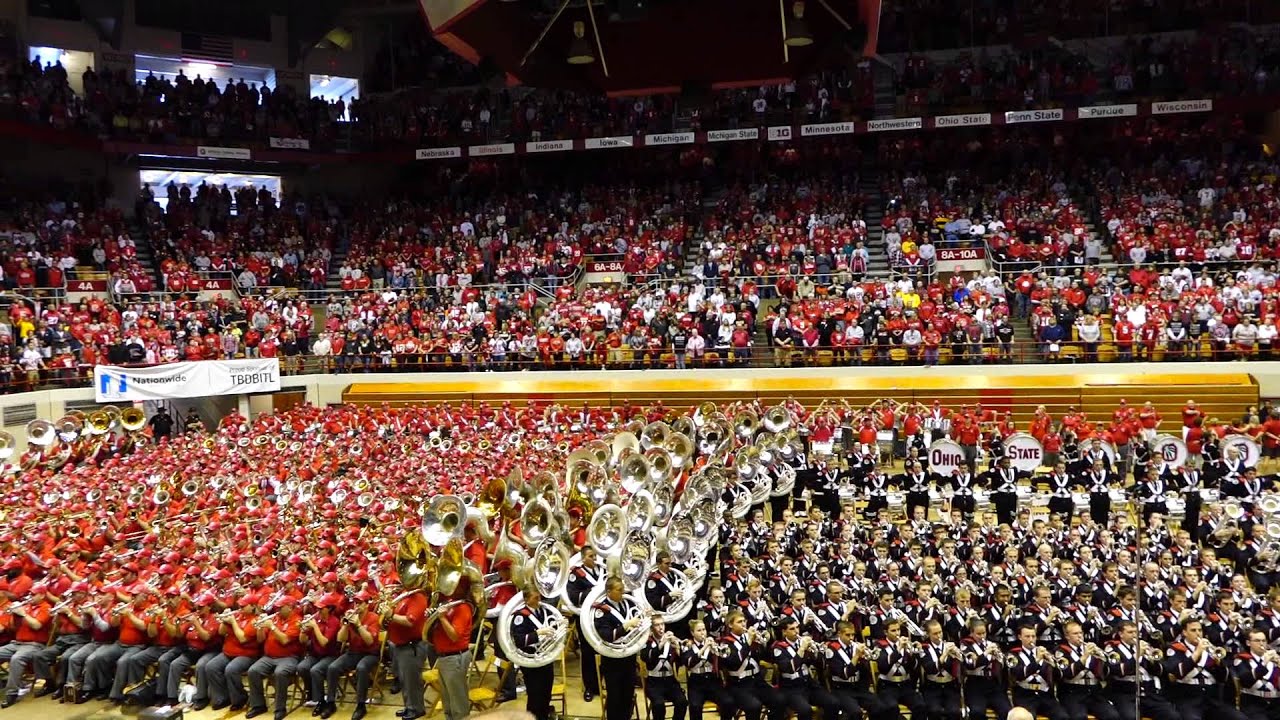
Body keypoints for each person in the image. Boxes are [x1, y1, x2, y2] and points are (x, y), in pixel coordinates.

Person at [321, 594, 381, 720]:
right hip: (353, 653)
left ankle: (361, 705)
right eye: (355, 603)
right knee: (332, 667)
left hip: (370, 653)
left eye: (360, 603)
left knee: (362, 668)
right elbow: (340, 639)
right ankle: (331, 703)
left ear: (366, 604)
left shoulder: (374, 618)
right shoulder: (351, 617)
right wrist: (345, 625)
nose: (357, 606)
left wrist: (358, 625)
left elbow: (369, 641)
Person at [593, 576, 642, 720]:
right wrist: (626, 626)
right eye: (619, 590)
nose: (623, 592)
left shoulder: (627, 604)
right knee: (615, 697)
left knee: (627, 695)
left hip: (629, 656)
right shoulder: (601, 610)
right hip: (612, 660)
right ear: (609, 592)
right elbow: (606, 635)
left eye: (623, 589)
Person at [246, 598, 303, 720]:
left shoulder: (297, 621)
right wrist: (260, 628)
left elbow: (285, 640)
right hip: (269, 657)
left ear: (289, 607)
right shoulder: (275, 618)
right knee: (253, 671)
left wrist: (272, 627)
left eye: (280, 608)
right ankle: (258, 705)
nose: (277, 610)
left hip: (289, 657)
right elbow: (260, 640)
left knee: (280, 673)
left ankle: (280, 708)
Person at [428, 583, 475, 720]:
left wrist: (441, 618)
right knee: (448, 700)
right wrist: (432, 617)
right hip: (444, 657)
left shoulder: (463, 608)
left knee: (458, 702)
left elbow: (454, 636)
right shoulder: (449, 605)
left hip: (454, 657)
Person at [509, 585, 557, 720]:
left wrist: (560, 626)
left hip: (546, 659)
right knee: (535, 695)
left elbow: (554, 627)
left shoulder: (545, 611)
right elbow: (518, 641)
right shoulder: (520, 616)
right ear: (527, 600)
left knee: (546, 693)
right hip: (531, 662)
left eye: (539, 597)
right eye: (535, 598)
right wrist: (537, 634)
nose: (539, 600)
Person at [386, 584, 429, 720]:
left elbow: (410, 621)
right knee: (405, 679)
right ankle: (409, 706)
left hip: (412, 646)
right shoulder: (405, 594)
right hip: (401, 645)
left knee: (412, 680)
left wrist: (391, 615)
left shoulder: (418, 597)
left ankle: (417, 709)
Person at [641, 616, 688, 720]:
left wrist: (678, 649)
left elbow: (682, 663)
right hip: (654, 682)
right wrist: (661, 645)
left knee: (682, 702)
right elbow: (646, 658)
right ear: (651, 628)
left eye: (662, 624)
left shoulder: (671, 641)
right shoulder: (647, 641)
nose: (661, 627)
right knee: (658, 705)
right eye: (657, 625)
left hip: (670, 681)